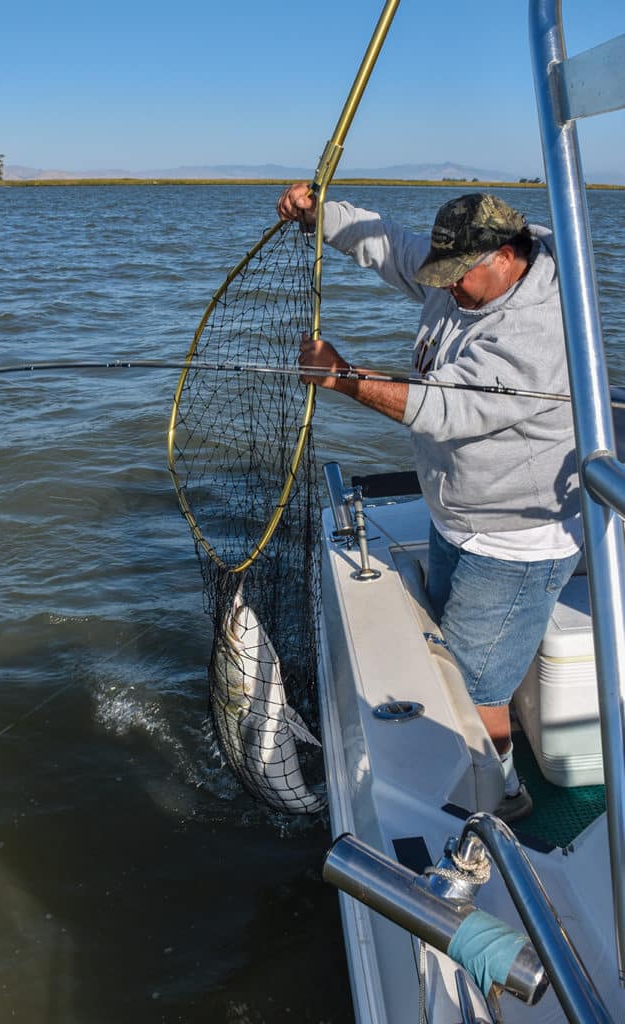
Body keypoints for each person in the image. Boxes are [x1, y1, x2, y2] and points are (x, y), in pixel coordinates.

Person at [277, 185, 582, 822]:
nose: (446, 289)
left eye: (458, 277)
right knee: (453, 657)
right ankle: (491, 779)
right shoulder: (469, 275)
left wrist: (345, 378)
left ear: (506, 255)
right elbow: (395, 248)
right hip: (458, 515)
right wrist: (322, 214)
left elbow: (445, 409)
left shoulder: (538, 332)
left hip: (513, 542)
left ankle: (500, 801)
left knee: (470, 689)